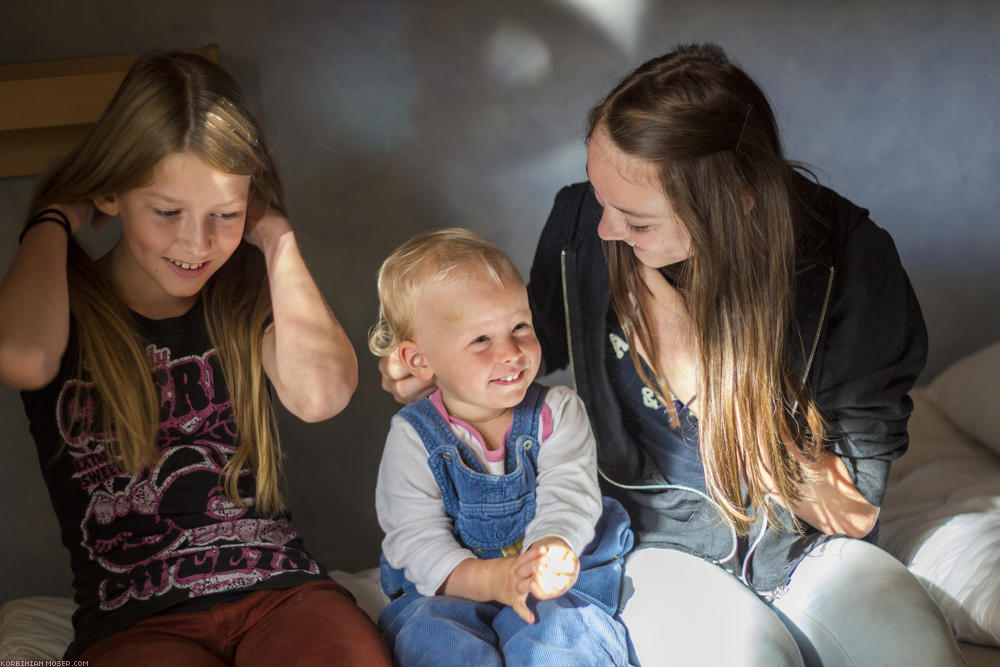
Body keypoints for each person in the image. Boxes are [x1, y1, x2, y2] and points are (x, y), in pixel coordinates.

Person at [380, 44, 963, 666]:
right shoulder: (583, 223)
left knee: (918, 653)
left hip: (802, 545)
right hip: (648, 537)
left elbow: (849, 513)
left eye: (637, 220)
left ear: (734, 205)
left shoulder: (850, 263)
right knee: (755, 658)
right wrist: (435, 365)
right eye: (600, 198)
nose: (604, 229)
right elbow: (525, 346)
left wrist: (708, 378)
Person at [0, 52, 390, 665]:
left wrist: (275, 236)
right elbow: (20, 358)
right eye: (167, 212)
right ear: (111, 191)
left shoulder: (244, 298)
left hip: (281, 593)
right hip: (136, 620)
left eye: (225, 215)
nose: (197, 243)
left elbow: (322, 397)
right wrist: (53, 218)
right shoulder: (61, 304)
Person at [369, 228, 633, 666]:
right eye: (481, 340)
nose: (511, 351)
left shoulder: (558, 412)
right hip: (453, 584)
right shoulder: (414, 436)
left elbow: (570, 495)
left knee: (565, 633)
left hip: (543, 584)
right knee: (431, 635)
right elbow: (415, 538)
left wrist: (550, 549)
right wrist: (490, 579)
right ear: (420, 361)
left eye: (519, 326)